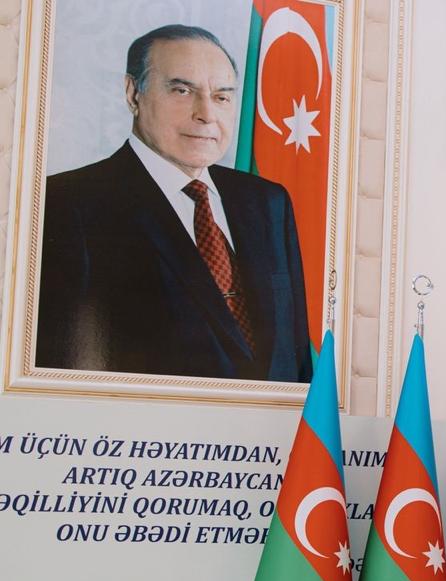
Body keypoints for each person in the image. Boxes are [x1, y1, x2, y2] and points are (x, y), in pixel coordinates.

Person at [36, 24, 312, 382]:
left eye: (222, 97)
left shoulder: (268, 202)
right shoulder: (66, 204)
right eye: (182, 91)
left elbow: (296, 359)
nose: (206, 114)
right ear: (133, 94)